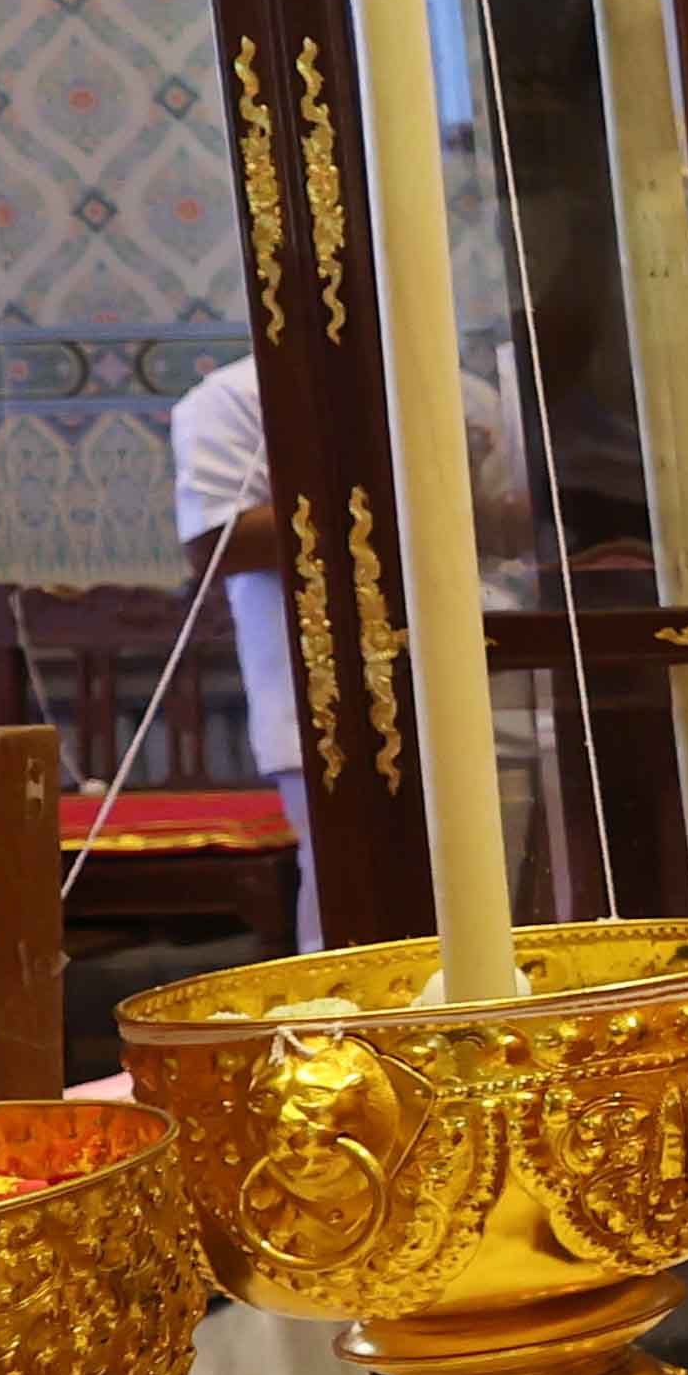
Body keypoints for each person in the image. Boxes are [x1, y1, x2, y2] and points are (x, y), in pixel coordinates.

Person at [170, 348, 528, 941]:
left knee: (501, 915)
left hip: (486, 681)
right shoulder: (237, 397)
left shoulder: (464, 390)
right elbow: (219, 542)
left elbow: (509, 534)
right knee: (358, 931)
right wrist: (400, 481)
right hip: (332, 701)